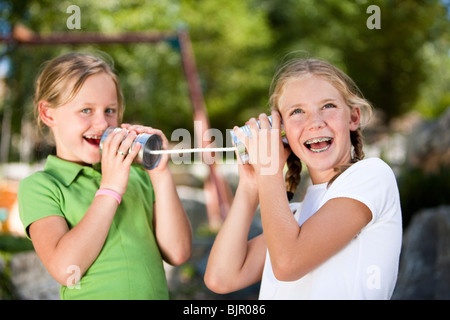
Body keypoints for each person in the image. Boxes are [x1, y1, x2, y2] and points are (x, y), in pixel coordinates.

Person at [204, 58, 402, 299]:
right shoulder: (296, 216)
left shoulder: (372, 176)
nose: (315, 123)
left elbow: (288, 263)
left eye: (328, 106)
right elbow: (221, 277)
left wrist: (269, 172)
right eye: (297, 111)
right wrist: (250, 186)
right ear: (283, 131)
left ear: (353, 118)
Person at [18, 52, 192, 299]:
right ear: (48, 114)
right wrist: (110, 188)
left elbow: (178, 252)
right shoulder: (41, 187)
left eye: (110, 110)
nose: (102, 123)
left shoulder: (139, 177)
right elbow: (68, 270)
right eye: (86, 110)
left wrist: (160, 173)